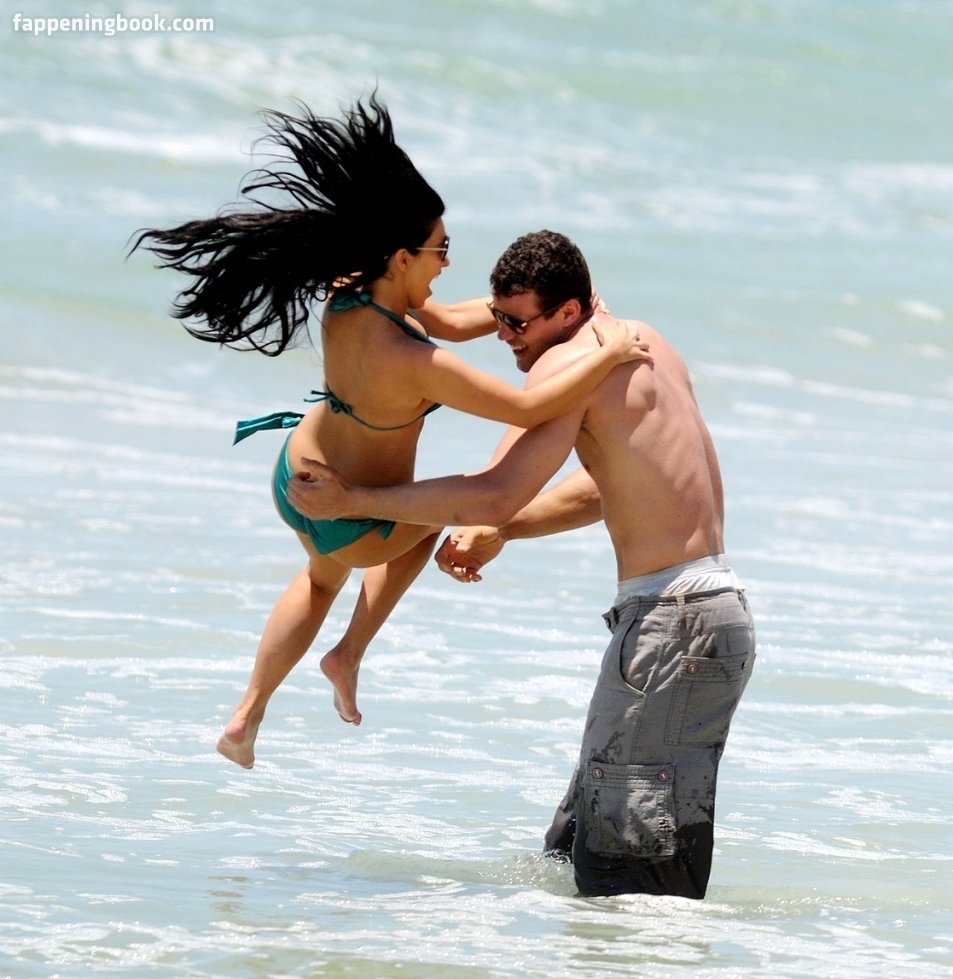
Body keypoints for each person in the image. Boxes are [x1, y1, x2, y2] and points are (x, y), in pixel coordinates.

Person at [132, 99, 650, 769]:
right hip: (350, 514)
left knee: (319, 582)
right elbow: (528, 409)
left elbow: (451, 318)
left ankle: (246, 715)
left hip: (295, 477)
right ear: (402, 257)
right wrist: (610, 354)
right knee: (438, 511)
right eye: (440, 251)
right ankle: (348, 653)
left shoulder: (349, 293)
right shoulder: (413, 360)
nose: (446, 264)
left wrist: (540, 307)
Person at [285, 229, 757, 899]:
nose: (505, 336)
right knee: (574, 852)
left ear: (568, 312)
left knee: (625, 882)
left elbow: (494, 493)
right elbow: (611, 486)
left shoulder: (568, 364)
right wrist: (504, 531)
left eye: (518, 322)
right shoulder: (647, 342)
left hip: (670, 626)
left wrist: (354, 500)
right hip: (714, 620)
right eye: (498, 317)